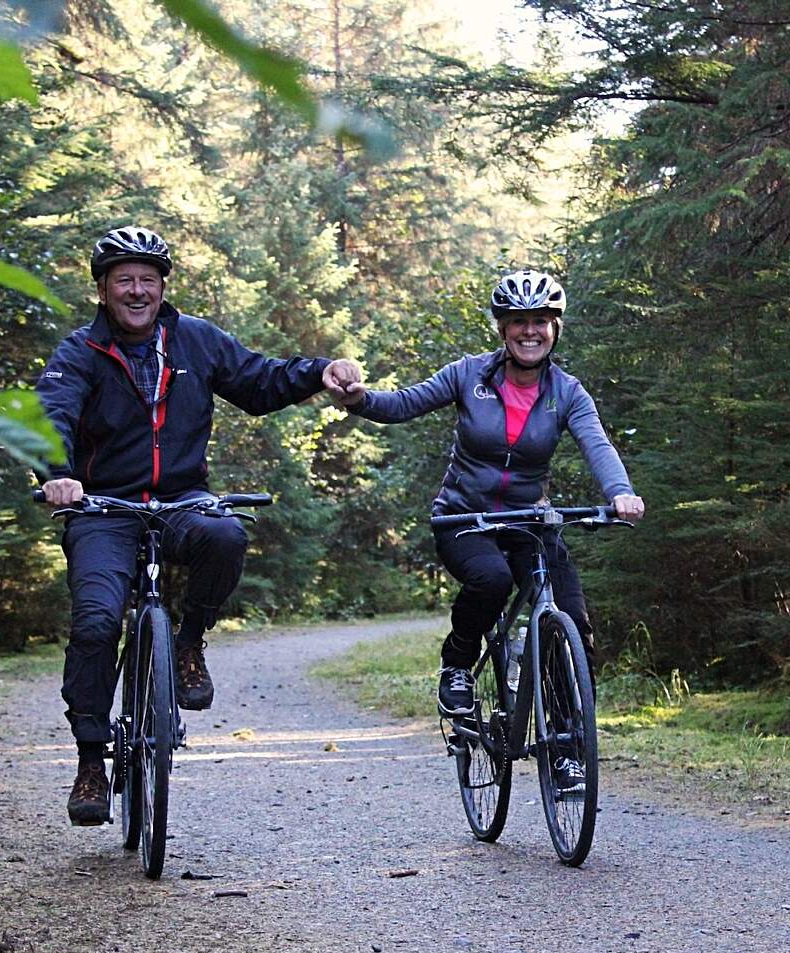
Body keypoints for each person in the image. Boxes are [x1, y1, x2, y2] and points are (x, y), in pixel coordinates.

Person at [36, 225, 359, 825]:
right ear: (103, 290)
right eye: (124, 281)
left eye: (147, 281)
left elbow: (259, 381)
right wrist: (59, 473)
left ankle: (188, 643)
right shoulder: (79, 352)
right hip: (103, 508)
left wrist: (320, 371)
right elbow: (51, 413)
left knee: (225, 533)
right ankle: (89, 760)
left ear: (163, 288)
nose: (137, 291)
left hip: (183, 498)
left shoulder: (196, 342)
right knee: (97, 621)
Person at [335, 269, 645, 788]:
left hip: (529, 521)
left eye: (541, 322)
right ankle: (457, 665)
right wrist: (360, 399)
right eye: (519, 322)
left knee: (572, 622)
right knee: (492, 580)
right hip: (463, 518)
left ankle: (566, 748)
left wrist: (620, 493)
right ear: (502, 329)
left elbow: (598, 445)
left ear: (555, 328)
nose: (530, 331)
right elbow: (405, 403)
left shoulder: (566, 392)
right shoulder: (468, 375)